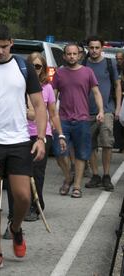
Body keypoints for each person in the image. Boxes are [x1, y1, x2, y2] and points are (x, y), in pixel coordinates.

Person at [0, 24, 47, 273]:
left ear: (11, 43)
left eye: (4, 46)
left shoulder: (23, 67)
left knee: (23, 197)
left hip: (19, 140)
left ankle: (16, 228)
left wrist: (40, 138)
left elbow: (39, 105)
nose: (0, 52)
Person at [52, 43, 104, 198]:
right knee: (59, 152)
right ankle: (68, 177)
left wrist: (101, 110)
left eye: (75, 54)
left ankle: (76, 186)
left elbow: (96, 93)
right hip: (62, 120)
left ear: (80, 55)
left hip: (82, 119)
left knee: (81, 154)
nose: (72, 56)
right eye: (69, 54)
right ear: (64, 56)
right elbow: (52, 97)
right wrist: (50, 116)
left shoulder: (88, 72)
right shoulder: (59, 74)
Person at [23, 52, 67, 221]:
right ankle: (27, 203)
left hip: (41, 134)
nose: (34, 69)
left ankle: (36, 205)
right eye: (31, 66)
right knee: (23, 172)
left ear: (43, 69)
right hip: (21, 134)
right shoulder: (20, 84)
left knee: (37, 171)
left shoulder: (47, 88)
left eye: (38, 66)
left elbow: (53, 114)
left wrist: (61, 134)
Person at [83, 36, 121, 192]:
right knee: (91, 144)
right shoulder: (83, 64)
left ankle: (106, 175)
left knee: (107, 143)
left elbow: (117, 86)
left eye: (97, 48)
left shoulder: (109, 63)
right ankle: (95, 175)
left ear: (102, 48)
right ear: (88, 48)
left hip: (106, 110)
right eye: (91, 48)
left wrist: (117, 108)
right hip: (87, 111)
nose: (94, 51)